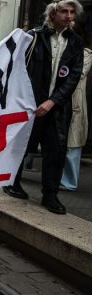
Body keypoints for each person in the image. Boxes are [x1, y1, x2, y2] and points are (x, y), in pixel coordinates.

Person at [4, 0, 84, 214]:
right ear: (53, 13)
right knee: (21, 145)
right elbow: (17, 67)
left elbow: (73, 76)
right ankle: (12, 183)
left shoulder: (76, 42)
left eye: (71, 12)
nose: (68, 16)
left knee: (55, 152)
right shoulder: (35, 37)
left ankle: (50, 195)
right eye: (64, 12)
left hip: (57, 108)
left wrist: (53, 101)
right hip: (29, 104)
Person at [60, 23, 91, 191]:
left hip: (75, 103)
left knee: (73, 144)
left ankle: (69, 182)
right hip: (60, 100)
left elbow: (78, 74)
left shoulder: (86, 54)